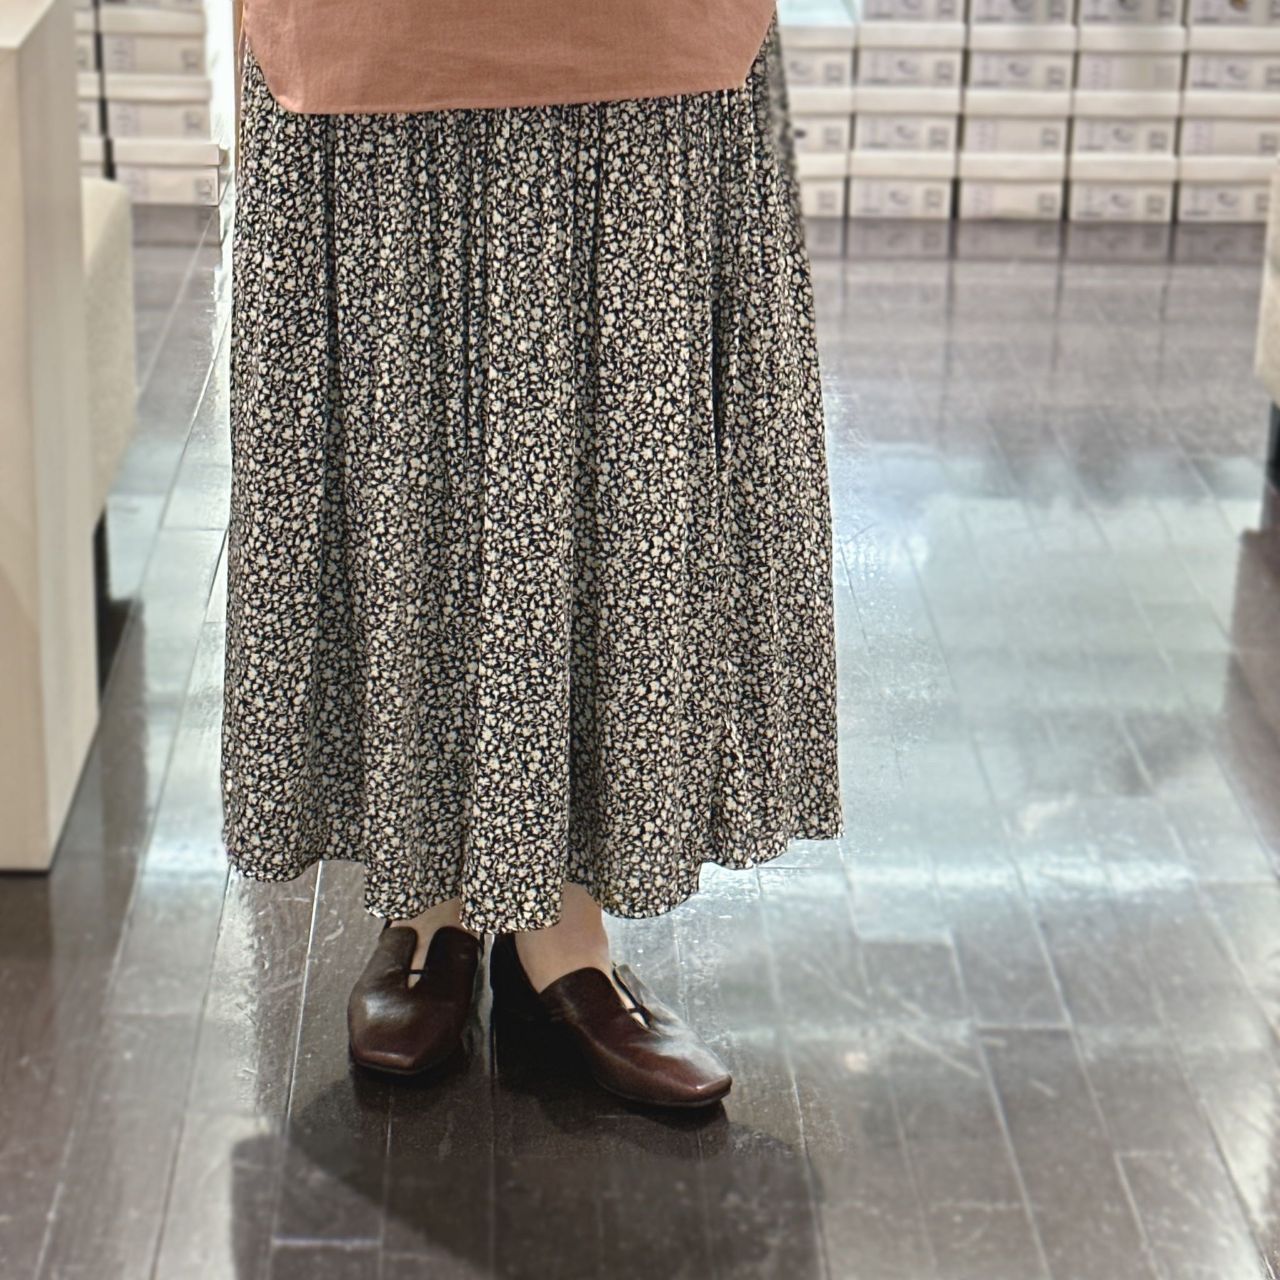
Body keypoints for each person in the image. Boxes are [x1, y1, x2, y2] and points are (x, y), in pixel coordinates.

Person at [221, 0, 844, 1110]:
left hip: (636, 39)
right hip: (379, 43)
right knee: (401, 450)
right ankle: (430, 893)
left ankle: (563, 921)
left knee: (628, 461)